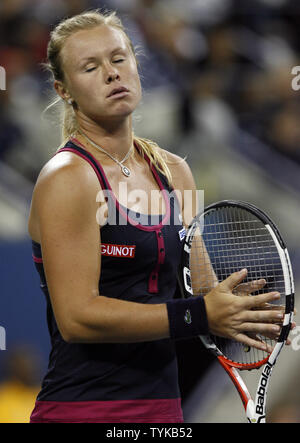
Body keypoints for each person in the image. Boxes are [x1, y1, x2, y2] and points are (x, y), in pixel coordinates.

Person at [27, 10, 285, 423]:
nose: (112, 74)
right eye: (90, 67)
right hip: (83, 411)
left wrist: (240, 313)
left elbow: (200, 292)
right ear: (64, 90)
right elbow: (77, 317)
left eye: (119, 58)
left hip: (164, 413)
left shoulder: (174, 172)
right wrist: (201, 314)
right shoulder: (67, 178)